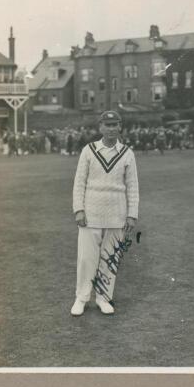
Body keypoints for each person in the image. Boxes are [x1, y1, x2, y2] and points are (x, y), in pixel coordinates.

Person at [71, 111, 139, 316]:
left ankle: (103, 298)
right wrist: (79, 209)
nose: (111, 128)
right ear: (100, 127)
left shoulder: (127, 153)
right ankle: (81, 298)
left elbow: (132, 186)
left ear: (120, 127)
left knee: (110, 258)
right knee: (86, 258)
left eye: (115, 125)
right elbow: (79, 182)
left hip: (117, 214)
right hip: (91, 213)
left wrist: (131, 214)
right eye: (107, 125)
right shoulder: (89, 150)